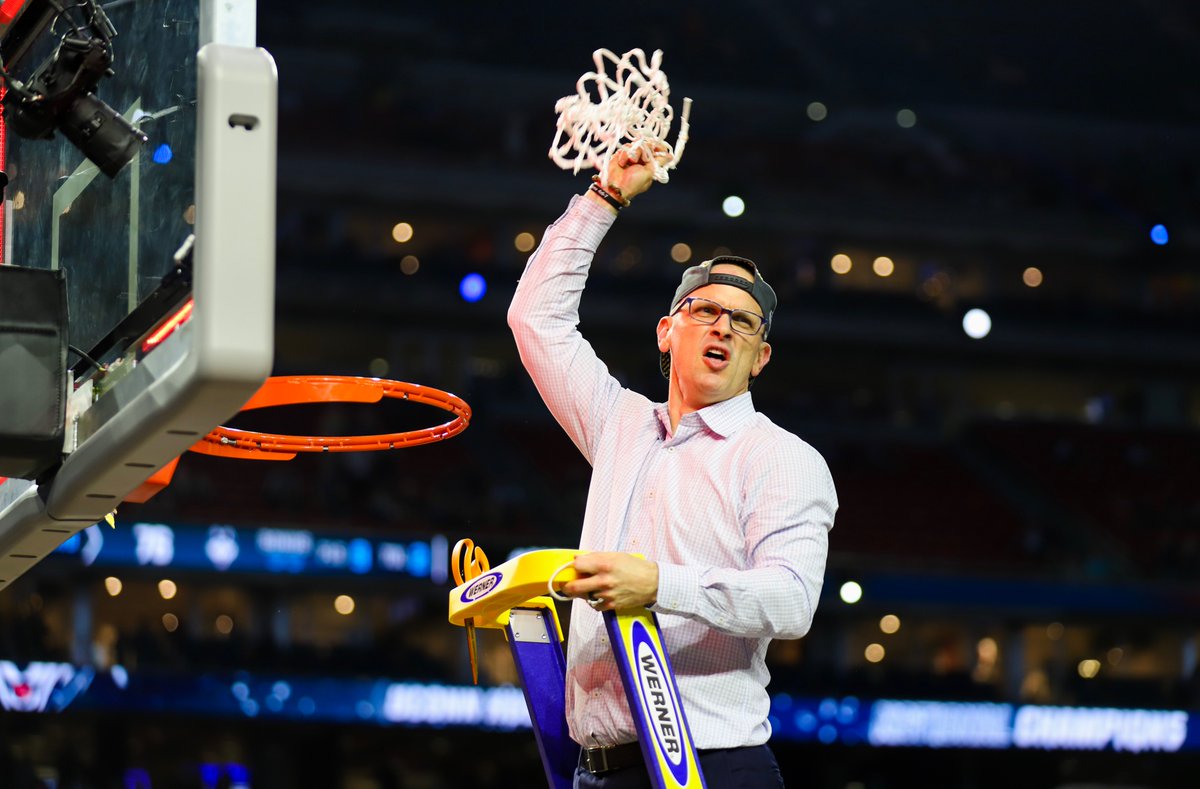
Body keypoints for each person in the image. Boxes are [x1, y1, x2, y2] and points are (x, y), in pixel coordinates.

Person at [507, 146, 838, 788]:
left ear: (761, 357)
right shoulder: (620, 424)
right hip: (596, 769)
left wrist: (659, 585)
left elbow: (792, 601)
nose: (724, 328)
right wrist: (604, 197)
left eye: (744, 322)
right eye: (705, 311)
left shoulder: (782, 457)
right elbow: (535, 320)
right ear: (666, 331)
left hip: (712, 765)